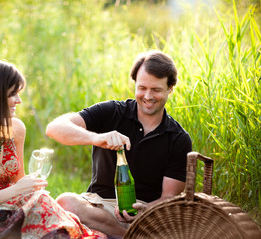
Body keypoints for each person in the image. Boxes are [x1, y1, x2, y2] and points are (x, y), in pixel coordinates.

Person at [0, 59, 106, 239]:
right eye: (12, 94)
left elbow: (18, 181)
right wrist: (15, 192)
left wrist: (29, 189)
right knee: (44, 212)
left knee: (44, 204)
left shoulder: (15, 129)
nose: (19, 100)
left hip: (11, 207)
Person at [45, 50, 192, 237]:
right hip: (98, 206)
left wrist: (144, 211)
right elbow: (55, 128)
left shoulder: (179, 138)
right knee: (67, 202)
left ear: (170, 88)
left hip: (145, 213)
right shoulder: (112, 111)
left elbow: (169, 198)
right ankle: (128, 235)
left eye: (156, 89)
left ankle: (119, 233)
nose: (147, 96)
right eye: (142, 88)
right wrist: (98, 138)